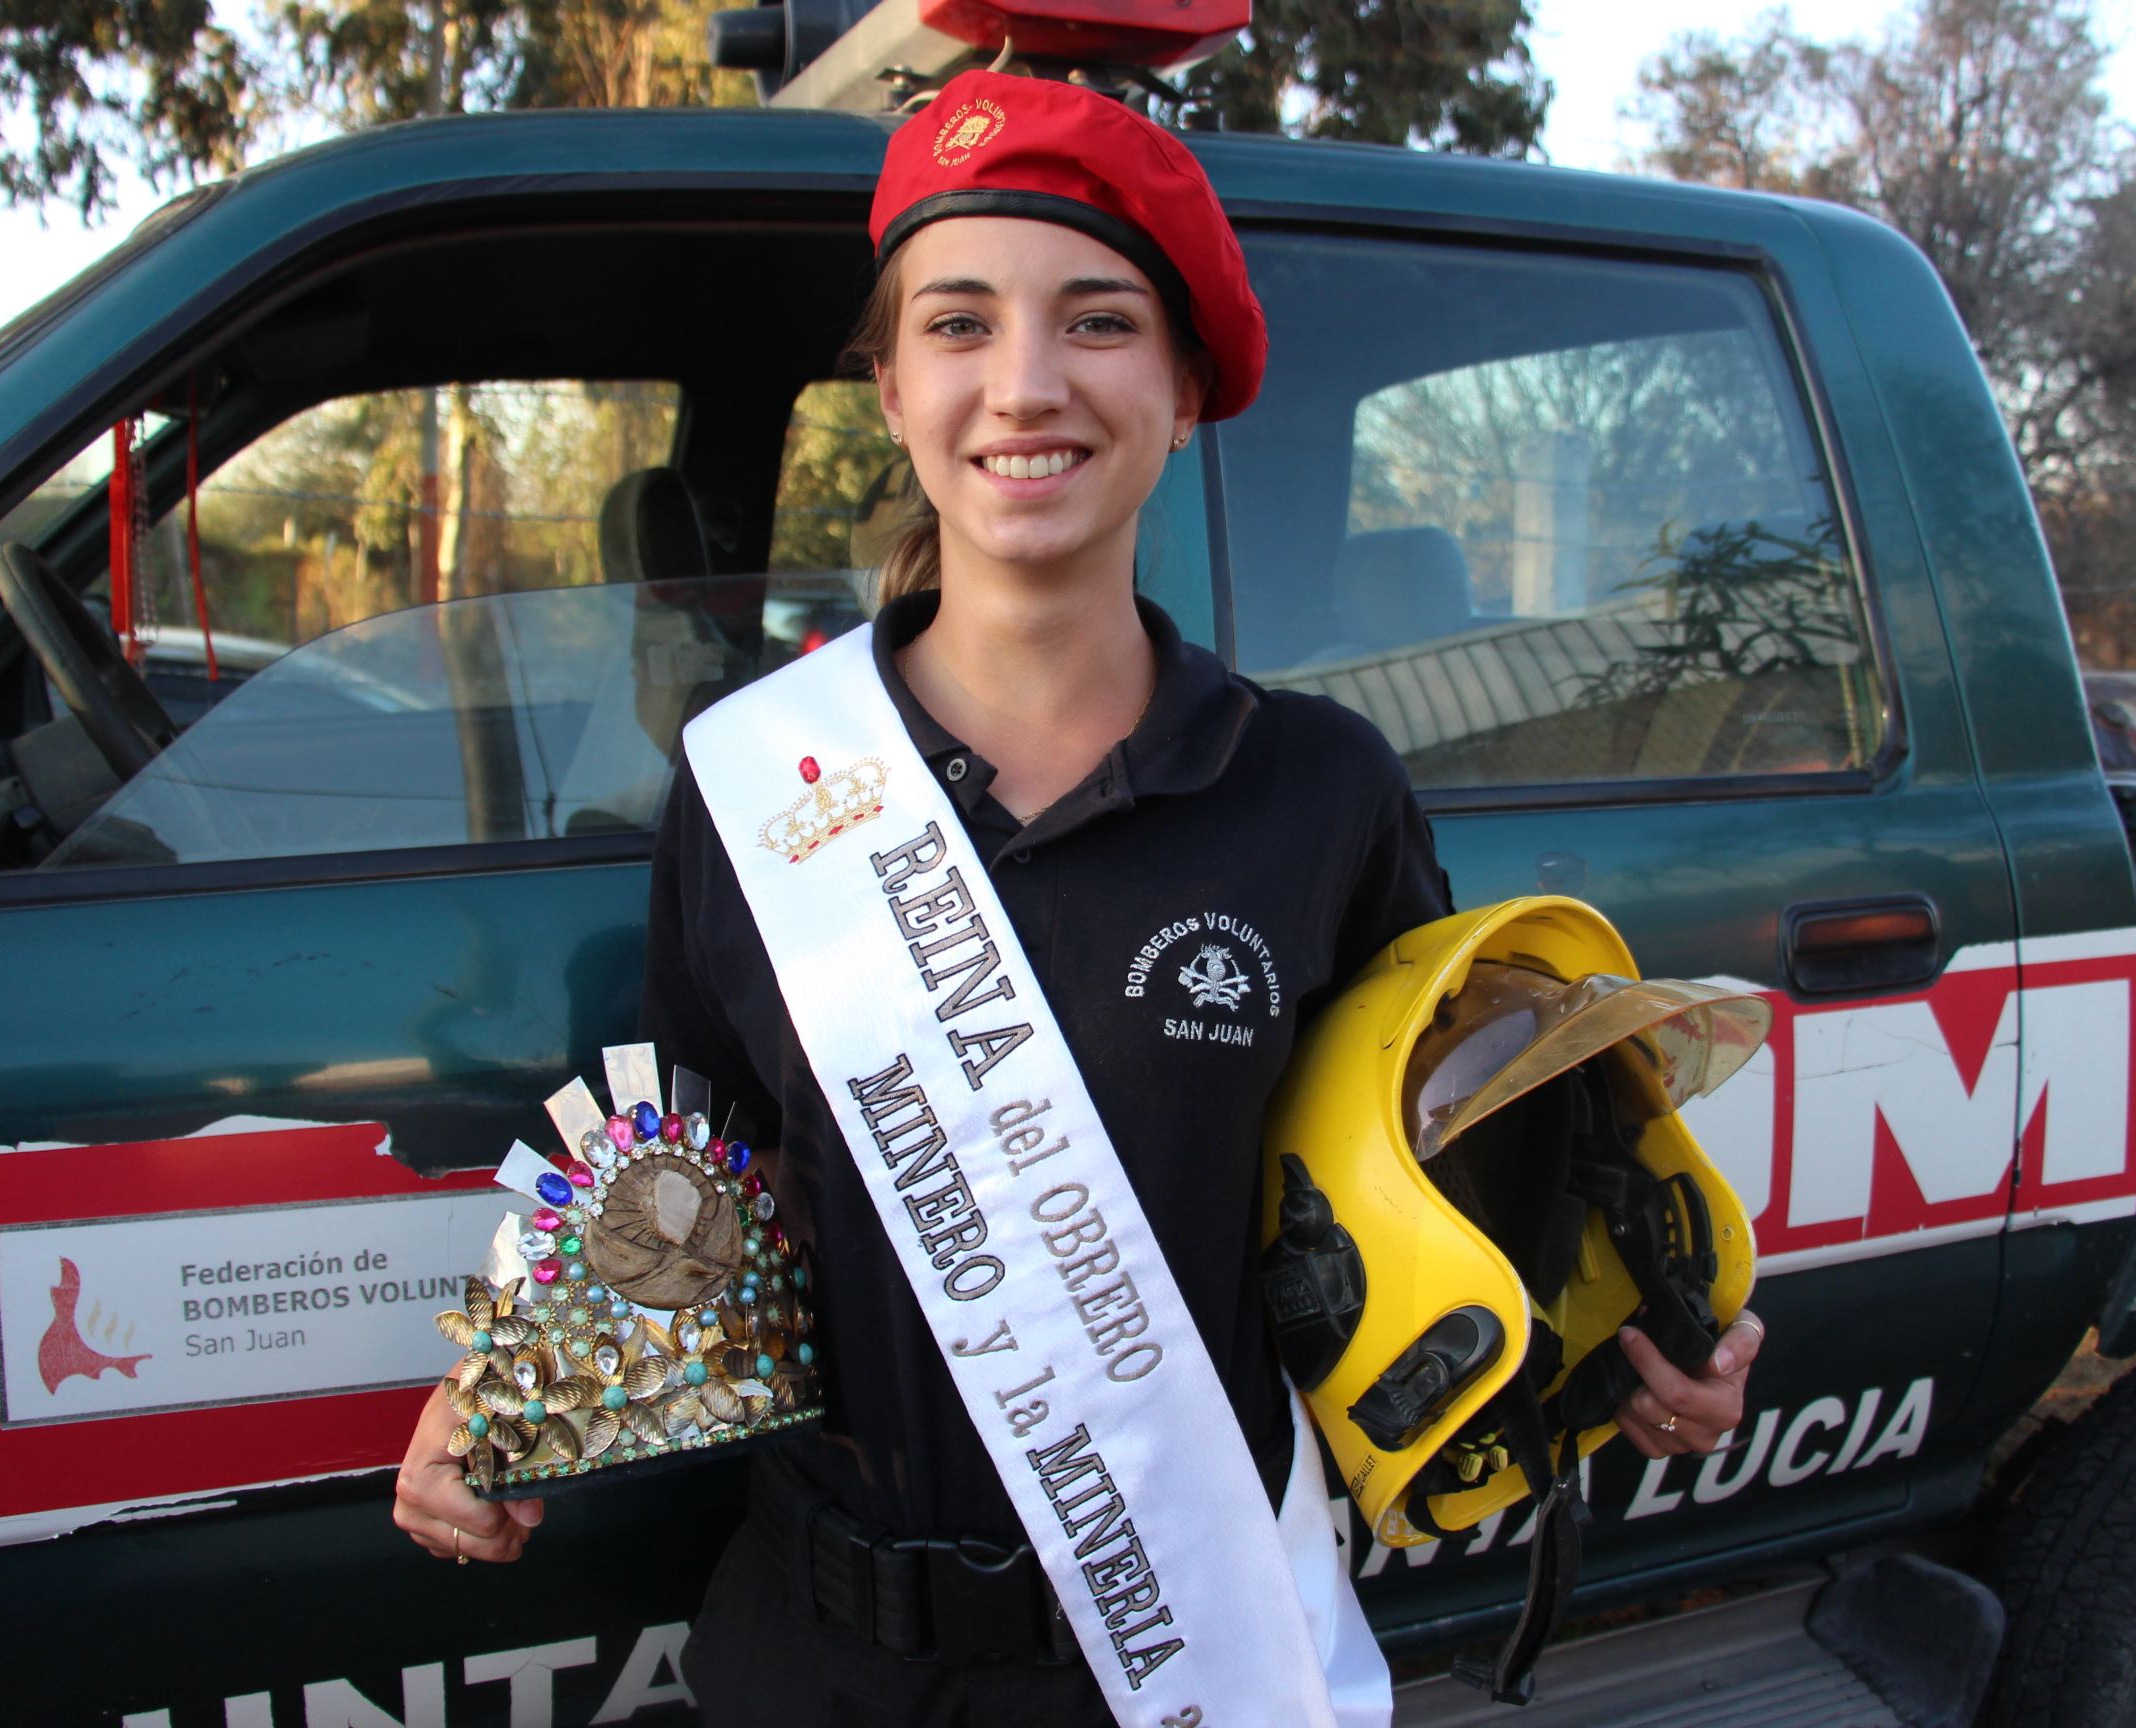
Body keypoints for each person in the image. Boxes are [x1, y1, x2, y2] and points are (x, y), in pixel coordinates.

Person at [392, 67, 1765, 1725]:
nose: (1025, 383)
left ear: (1185, 390)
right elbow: (707, 1176)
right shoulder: (756, 781)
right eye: (959, 325)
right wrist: (526, 1379)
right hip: (820, 1663)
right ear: (892, 387)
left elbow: (1482, 1175)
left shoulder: (1319, 794)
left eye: (1098, 322)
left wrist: (1645, 1358)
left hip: (1193, 1653)